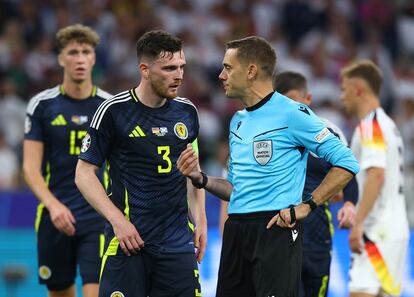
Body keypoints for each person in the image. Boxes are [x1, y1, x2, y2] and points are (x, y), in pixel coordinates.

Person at [177, 36, 359, 297]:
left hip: (275, 230)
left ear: (251, 71)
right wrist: (200, 178)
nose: (220, 75)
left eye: (228, 67)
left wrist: (307, 205)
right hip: (237, 232)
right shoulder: (237, 120)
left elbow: (346, 162)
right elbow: (235, 189)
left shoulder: (293, 113)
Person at [75, 30, 207, 297]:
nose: (179, 75)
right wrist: (117, 221)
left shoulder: (186, 111)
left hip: (177, 243)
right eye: (169, 68)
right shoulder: (113, 111)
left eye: (181, 67)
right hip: (128, 242)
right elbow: (84, 174)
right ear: (144, 69)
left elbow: (193, 171)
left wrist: (201, 219)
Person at [23, 24, 113, 297]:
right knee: (60, 292)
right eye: (73, 52)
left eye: (86, 52)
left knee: (96, 291)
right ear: (61, 59)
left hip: (98, 217)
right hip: (55, 215)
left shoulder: (109, 106)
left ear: (94, 58)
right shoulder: (42, 105)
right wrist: (53, 206)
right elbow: (30, 167)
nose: (80, 58)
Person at [273, 71, 359, 297]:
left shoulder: (329, 131)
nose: (291, 106)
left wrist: (349, 204)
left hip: (318, 234)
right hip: (279, 234)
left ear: (308, 99)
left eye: (295, 99)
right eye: (284, 101)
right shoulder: (269, 133)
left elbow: (348, 171)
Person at [340, 60, 410, 297]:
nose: (341, 96)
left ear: (358, 89)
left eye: (344, 89)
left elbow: (377, 175)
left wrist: (358, 223)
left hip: (375, 231)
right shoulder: (389, 125)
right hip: (394, 230)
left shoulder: (372, 127)